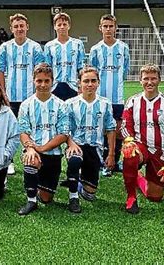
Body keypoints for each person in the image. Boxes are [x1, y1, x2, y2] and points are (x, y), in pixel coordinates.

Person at [121, 64, 164, 214]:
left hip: (160, 150)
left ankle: (137, 177)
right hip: (140, 146)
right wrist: (129, 141)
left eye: (153, 78)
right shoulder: (132, 101)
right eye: (146, 79)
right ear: (140, 81)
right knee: (130, 154)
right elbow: (125, 125)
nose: (149, 82)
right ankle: (131, 198)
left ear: (159, 80)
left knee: (155, 197)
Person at [17, 64, 69, 215]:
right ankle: (31, 200)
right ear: (33, 81)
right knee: (31, 158)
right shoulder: (26, 104)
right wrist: (31, 148)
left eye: (46, 81)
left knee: (46, 199)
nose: (43, 85)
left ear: (52, 81)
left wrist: (42, 148)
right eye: (39, 81)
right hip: (34, 152)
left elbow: (63, 134)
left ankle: (38, 184)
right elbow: (22, 131)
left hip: (52, 154)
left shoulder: (61, 105)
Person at [0, 13, 45, 175]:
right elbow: (1, 71)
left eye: (21, 26)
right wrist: (3, 93)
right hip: (11, 97)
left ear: (27, 27)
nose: (19, 29)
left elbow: (40, 72)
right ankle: (8, 160)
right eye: (16, 26)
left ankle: (32, 156)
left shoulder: (35, 47)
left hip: (30, 97)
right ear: (11, 29)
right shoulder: (5, 47)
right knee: (9, 130)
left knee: (31, 129)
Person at [64, 67, 116, 213]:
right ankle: (73, 196)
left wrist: (111, 154)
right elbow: (64, 129)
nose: (90, 84)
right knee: (75, 160)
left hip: (95, 148)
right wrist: (71, 143)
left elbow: (111, 129)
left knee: (89, 195)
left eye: (93, 81)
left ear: (98, 83)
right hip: (76, 145)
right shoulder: (70, 103)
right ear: (79, 83)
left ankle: (78, 181)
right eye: (86, 81)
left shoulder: (105, 103)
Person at [89, 14, 130, 177]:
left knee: (118, 130)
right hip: (100, 97)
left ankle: (115, 161)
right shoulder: (95, 49)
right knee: (101, 130)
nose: (108, 29)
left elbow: (125, 70)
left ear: (115, 28)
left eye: (110, 26)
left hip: (117, 97)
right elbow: (92, 73)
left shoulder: (123, 48)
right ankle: (102, 162)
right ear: (100, 28)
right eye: (105, 26)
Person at [44, 12, 86, 101]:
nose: (62, 27)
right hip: (55, 86)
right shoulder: (49, 46)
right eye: (59, 25)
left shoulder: (78, 44)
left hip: (73, 86)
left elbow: (81, 67)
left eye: (64, 24)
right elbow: (47, 69)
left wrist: (81, 86)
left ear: (69, 26)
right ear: (55, 26)